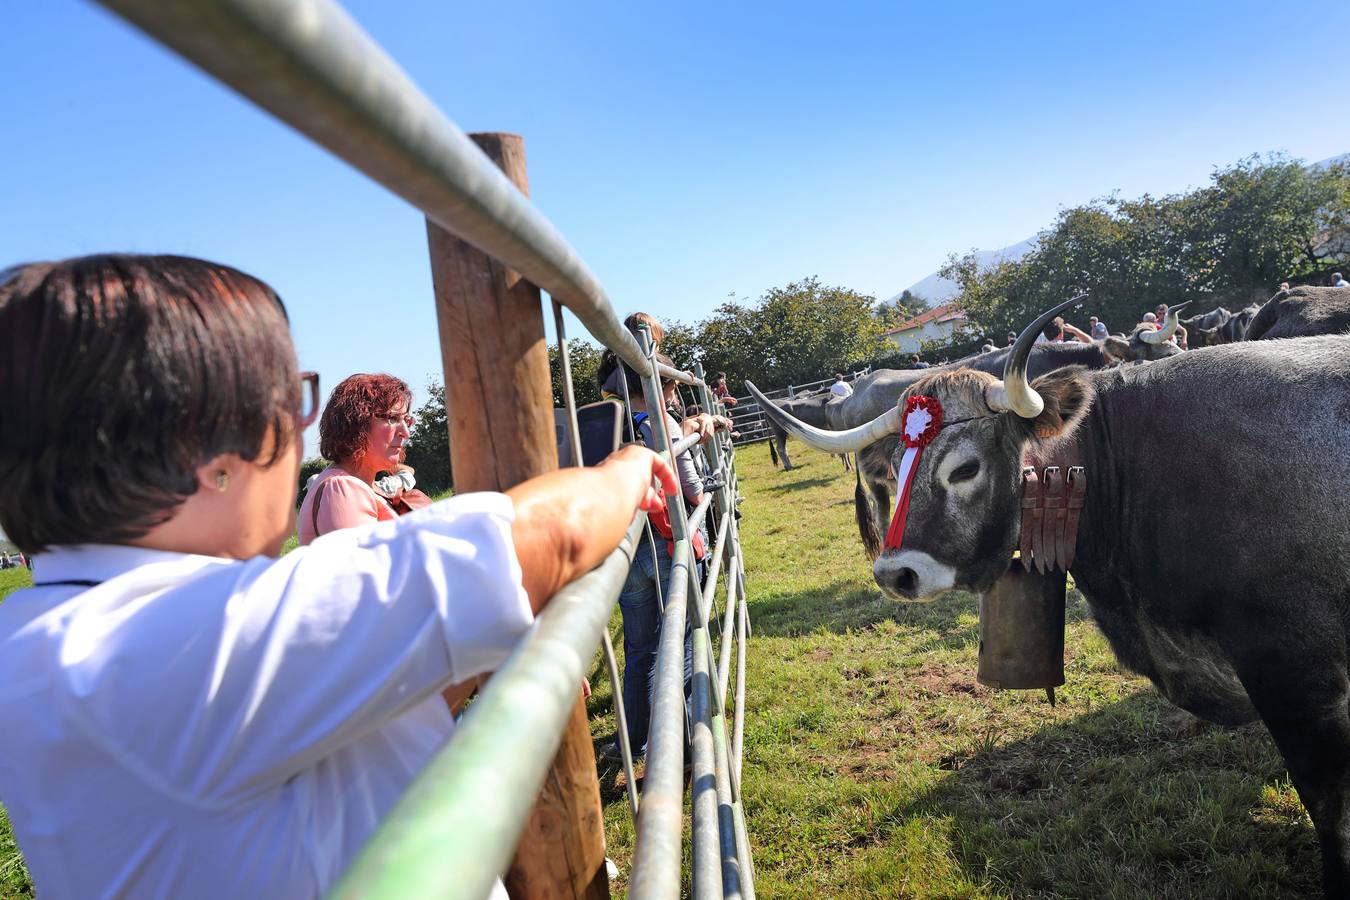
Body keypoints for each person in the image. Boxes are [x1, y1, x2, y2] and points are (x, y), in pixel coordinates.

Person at [0, 254, 678, 900]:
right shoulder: (183, 639)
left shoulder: (40, 644)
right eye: (286, 401)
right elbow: (543, 537)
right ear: (210, 456)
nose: (295, 433)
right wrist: (627, 467)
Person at [601, 353, 725, 763]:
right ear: (662, 385)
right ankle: (688, 746)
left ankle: (631, 740)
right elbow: (688, 488)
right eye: (670, 385)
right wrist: (708, 482)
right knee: (686, 640)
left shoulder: (607, 425)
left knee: (639, 650)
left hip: (624, 547)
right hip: (666, 543)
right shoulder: (661, 420)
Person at [297, 373, 414, 546]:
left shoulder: (355, 484)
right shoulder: (341, 489)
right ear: (356, 423)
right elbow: (364, 571)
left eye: (406, 420)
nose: (406, 432)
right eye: (392, 418)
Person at [597, 312, 664, 400]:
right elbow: (667, 378)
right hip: (642, 411)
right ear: (653, 341)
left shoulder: (616, 366)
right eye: (659, 342)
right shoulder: (630, 369)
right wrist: (678, 379)